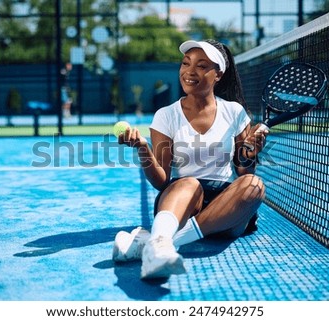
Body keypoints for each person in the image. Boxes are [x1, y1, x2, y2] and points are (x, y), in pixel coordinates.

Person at [112, 39, 268, 280]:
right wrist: (143, 149)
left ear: (218, 74)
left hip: (227, 206)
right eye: (185, 63)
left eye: (202, 65)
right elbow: (162, 180)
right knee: (189, 182)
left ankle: (161, 242)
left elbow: (244, 173)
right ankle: (161, 242)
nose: (190, 71)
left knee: (254, 185)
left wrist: (250, 153)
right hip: (182, 202)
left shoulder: (235, 112)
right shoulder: (166, 115)